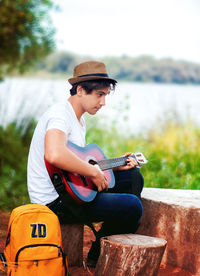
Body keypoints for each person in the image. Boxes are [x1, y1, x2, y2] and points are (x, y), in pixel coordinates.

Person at [27, 61, 144, 267]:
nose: (103, 102)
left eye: (106, 95)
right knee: (132, 206)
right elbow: (54, 154)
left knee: (132, 176)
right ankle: (100, 255)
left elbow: (74, 164)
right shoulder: (59, 115)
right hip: (56, 202)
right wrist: (92, 170)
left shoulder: (78, 119)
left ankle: (101, 244)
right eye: (99, 94)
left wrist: (114, 166)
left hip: (69, 190)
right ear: (80, 90)